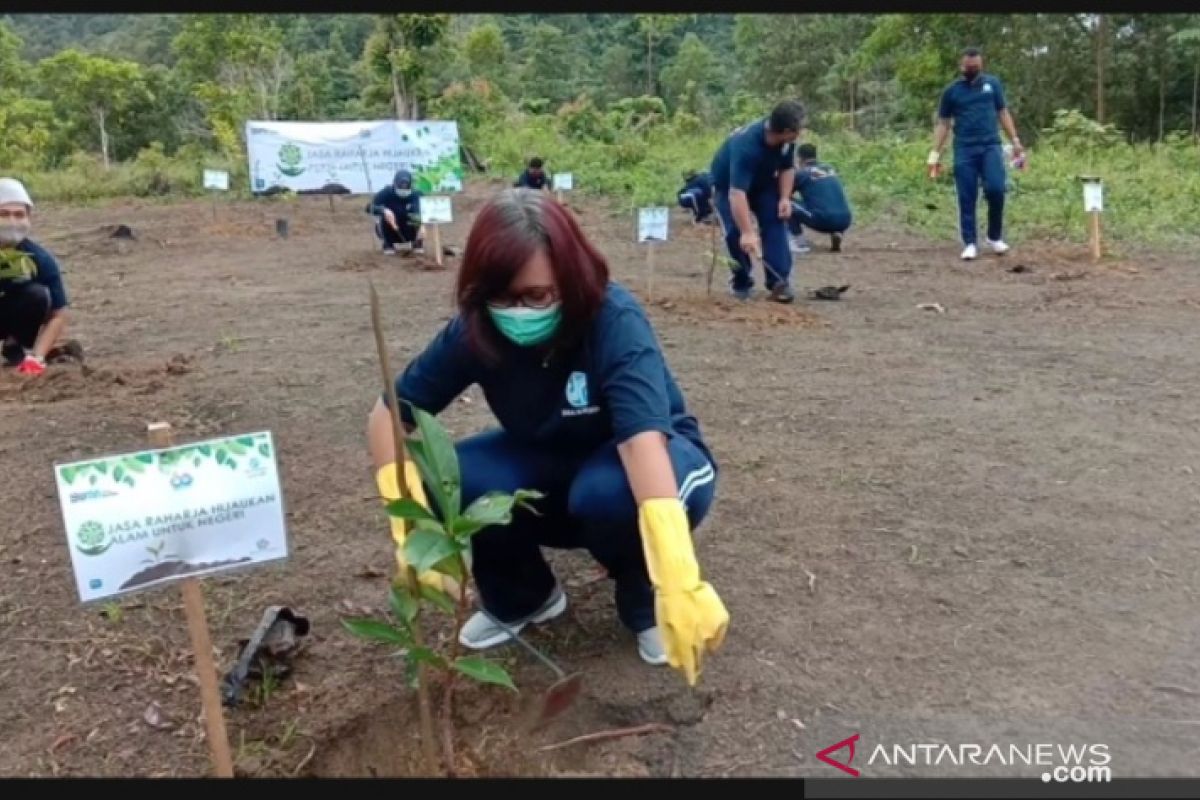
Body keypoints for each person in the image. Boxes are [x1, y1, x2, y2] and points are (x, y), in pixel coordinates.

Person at [367, 188, 728, 684]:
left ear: (570, 276)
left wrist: (679, 576)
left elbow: (641, 442)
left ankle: (648, 600)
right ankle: (524, 596)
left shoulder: (612, 319)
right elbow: (388, 416)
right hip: (550, 461)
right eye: (502, 296)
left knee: (607, 493)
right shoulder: (476, 329)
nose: (518, 311)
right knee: (454, 476)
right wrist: (408, 527)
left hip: (652, 461)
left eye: (536, 295)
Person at [928, 46, 1024, 261]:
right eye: (969, 67)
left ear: (981, 65)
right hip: (964, 148)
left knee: (997, 189)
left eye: (976, 67)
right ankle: (970, 242)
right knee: (967, 195)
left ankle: (994, 236)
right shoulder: (952, 92)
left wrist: (1015, 140)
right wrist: (935, 152)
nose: (973, 70)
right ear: (961, 66)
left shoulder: (993, 85)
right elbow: (943, 123)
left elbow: (1003, 112)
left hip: (991, 146)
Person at [710, 100, 806, 303]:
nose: (801, 133)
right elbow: (737, 194)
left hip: (763, 184)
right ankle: (741, 281)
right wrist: (747, 232)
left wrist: (784, 198)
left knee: (776, 220)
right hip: (729, 186)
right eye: (798, 129)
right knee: (735, 233)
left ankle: (779, 282)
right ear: (786, 130)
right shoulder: (746, 146)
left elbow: (787, 168)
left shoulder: (786, 142)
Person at [0, 178, 72, 378]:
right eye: (3, 214)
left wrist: (38, 357)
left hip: (10, 314)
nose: (12, 221)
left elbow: (60, 313)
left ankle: (15, 344)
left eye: (19, 215)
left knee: (38, 294)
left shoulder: (38, 258)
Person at [787, 144, 853, 254]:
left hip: (824, 220)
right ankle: (837, 232)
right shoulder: (829, 169)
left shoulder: (802, 173)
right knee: (830, 203)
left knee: (786, 202)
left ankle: (798, 242)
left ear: (799, 158)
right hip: (846, 219)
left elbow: (785, 194)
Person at [368, 169, 424, 255]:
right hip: (390, 228)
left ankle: (417, 243)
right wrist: (383, 210)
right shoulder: (386, 192)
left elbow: (428, 210)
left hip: (410, 230)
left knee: (415, 213)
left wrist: (422, 226)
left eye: (406, 184)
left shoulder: (417, 194)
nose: (403, 187)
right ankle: (388, 244)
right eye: (401, 184)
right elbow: (369, 208)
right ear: (394, 182)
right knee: (387, 215)